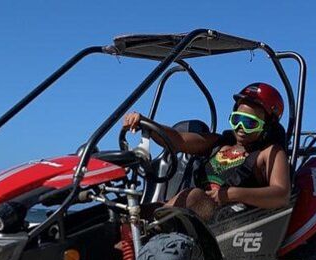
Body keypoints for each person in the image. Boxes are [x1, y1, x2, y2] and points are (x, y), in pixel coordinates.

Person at [123, 82, 291, 221]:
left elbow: (281, 194)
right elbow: (177, 140)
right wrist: (146, 123)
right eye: (237, 120)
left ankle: (151, 231)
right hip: (193, 210)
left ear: (268, 126)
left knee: (193, 196)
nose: (240, 128)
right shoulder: (218, 142)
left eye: (250, 123)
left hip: (228, 216)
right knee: (137, 212)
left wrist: (231, 194)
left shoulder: (270, 153)